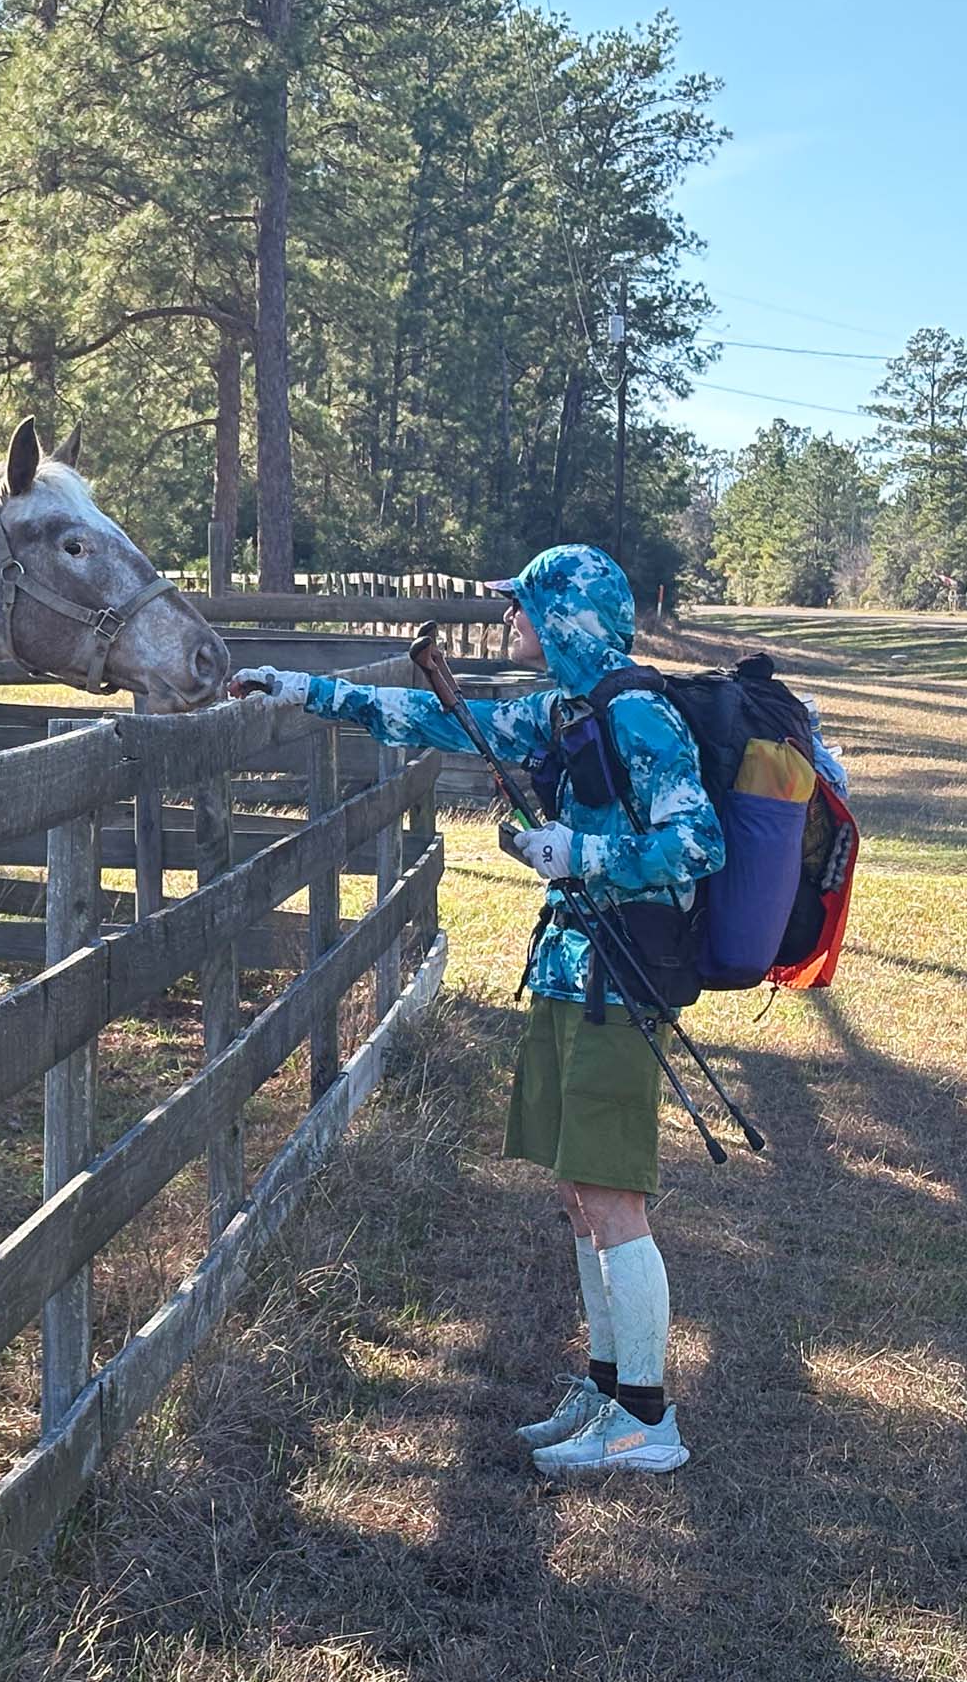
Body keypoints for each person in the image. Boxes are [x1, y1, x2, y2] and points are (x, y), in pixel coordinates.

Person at [226, 544, 722, 1477]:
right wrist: (303, 690)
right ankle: (606, 1386)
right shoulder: (565, 710)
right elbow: (436, 716)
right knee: (580, 1191)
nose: (509, 619)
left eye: (523, 605)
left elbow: (698, 843)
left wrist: (582, 854)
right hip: (571, 969)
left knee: (614, 1195)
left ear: (567, 616)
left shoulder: (639, 715)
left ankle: (647, 1420)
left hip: (624, 978)